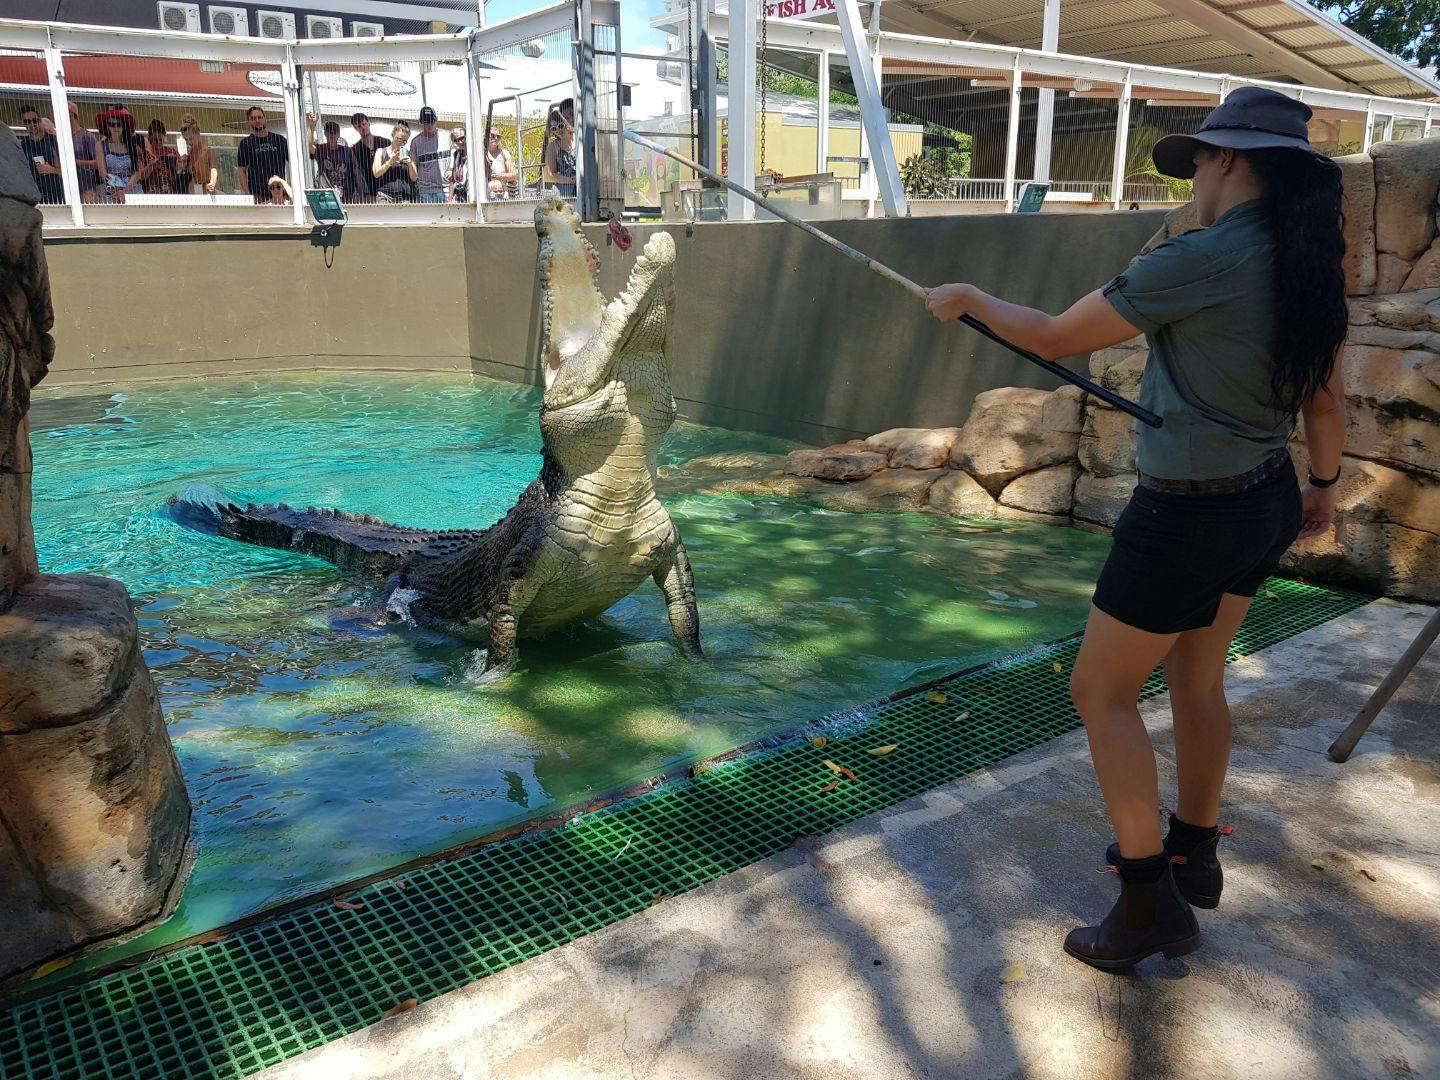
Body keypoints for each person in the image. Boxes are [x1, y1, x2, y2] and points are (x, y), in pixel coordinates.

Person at [923, 87, 1347, 971]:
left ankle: (1148, 898)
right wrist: (1325, 487)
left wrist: (970, 297)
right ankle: (1197, 850)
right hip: (1268, 493)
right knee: (1199, 675)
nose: (1191, 174)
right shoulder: (1306, 255)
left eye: (1197, 159)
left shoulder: (1204, 257)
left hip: (1188, 513)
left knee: (1100, 692)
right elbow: (1324, 395)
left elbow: (1055, 333)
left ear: (1226, 159)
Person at [307, 113, 364, 202]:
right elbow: (309, 146)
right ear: (325, 134)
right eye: (329, 132)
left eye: (335, 133)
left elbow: (356, 172)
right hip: (324, 193)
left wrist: (362, 193)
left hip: (345, 195)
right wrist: (311, 126)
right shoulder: (321, 149)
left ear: (338, 134)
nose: (332, 135)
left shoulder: (347, 150)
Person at [237, 105, 288, 203]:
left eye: (259, 117)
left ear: (265, 119)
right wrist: (248, 194)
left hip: (279, 193)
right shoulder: (245, 143)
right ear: (249, 122)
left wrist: (289, 189)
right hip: (258, 196)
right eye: (253, 118)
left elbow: (294, 163)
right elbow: (241, 171)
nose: (257, 120)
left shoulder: (279, 140)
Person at [17, 104, 62, 205]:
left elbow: (68, 171)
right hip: (34, 196)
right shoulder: (22, 146)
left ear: (39, 120)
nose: (32, 124)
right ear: (22, 124)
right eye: (27, 122)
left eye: (35, 120)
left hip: (57, 195)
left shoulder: (53, 141)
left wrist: (51, 169)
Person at [97, 106, 141, 203]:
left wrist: (125, 190)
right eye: (111, 124)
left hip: (132, 190)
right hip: (110, 191)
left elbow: (137, 172)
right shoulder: (101, 145)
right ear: (107, 126)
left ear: (124, 126)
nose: (115, 127)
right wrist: (118, 188)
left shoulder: (133, 146)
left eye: (118, 124)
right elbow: (102, 173)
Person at [371, 120, 418, 203]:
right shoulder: (381, 151)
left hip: (404, 198)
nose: (402, 143)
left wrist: (410, 164)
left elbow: (414, 178)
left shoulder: (409, 154)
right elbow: (376, 173)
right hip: (385, 196)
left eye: (405, 141)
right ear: (393, 135)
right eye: (399, 139)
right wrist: (390, 161)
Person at [409, 105, 447, 204]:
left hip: (446, 189)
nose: (429, 125)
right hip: (425, 191)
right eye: (426, 123)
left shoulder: (447, 137)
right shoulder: (416, 142)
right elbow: (413, 167)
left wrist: (452, 170)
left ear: (436, 120)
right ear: (421, 122)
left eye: (431, 122)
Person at [67, 102, 103, 203]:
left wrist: (76, 162)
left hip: (88, 187)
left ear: (72, 115)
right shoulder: (62, 138)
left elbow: (98, 163)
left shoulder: (86, 136)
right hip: (68, 188)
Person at [135, 119, 180, 195]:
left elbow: (179, 171)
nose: (158, 143)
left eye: (161, 140)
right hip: (150, 194)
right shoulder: (144, 153)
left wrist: (179, 165)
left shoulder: (172, 152)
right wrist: (151, 166)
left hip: (171, 193)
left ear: (164, 138)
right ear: (149, 138)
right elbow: (140, 176)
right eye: (155, 140)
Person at [176, 113, 218, 195]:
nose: (189, 142)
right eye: (186, 140)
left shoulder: (208, 151)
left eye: (191, 139)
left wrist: (212, 182)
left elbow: (214, 169)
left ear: (198, 133)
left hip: (208, 191)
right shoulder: (189, 155)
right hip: (195, 192)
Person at [541, 99, 576, 197]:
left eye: (560, 125)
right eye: (554, 129)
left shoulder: (580, 140)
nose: (558, 130)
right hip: (564, 193)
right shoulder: (553, 146)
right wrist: (572, 180)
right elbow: (552, 174)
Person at [350, 112, 381, 202]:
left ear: (369, 123)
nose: (363, 128)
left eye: (364, 124)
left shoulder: (384, 142)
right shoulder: (355, 149)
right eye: (359, 126)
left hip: (386, 192)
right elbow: (357, 173)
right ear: (355, 129)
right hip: (368, 195)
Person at [483, 126, 518, 201]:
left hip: (502, 194)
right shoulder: (482, 153)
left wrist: (500, 176)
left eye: (498, 137)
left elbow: (514, 175)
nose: (495, 138)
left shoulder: (504, 153)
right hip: (485, 194)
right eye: (492, 136)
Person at [445, 125, 469, 202]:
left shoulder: (475, 154)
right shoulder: (456, 155)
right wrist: (450, 199)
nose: (460, 142)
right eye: (456, 140)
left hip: (473, 195)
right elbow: (452, 180)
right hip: (459, 197)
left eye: (462, 138)